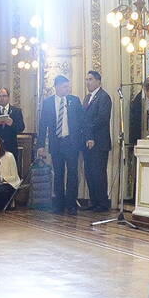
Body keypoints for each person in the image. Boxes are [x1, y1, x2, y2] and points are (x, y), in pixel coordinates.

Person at [34, 73, 85, 215]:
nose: (67, 89)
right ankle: (59, 204)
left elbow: (82, 122)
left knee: (73, 173)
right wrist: (41, 146)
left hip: (71, 143)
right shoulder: (48, 103)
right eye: (64, 86)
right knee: (58, 174)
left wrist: (86, 138)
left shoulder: (74, 101)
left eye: (68, 86)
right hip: (57, 143)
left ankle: (71, 204)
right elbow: (43, 125)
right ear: (56, 87)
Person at [81, 69, 114, 212]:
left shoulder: (104, 97)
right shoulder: (87, 98)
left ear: (98, 81)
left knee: (98, 173)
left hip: (99, 142)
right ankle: (93, 201)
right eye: (87, 79)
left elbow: (101, 119)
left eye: (90, 79)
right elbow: (84, 119)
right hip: (87, 141)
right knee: (89, 172)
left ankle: (102, 203)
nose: (87, 82)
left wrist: (90, 135)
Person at [0, 88, 25, 158]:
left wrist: (12, 124)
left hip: (11, 146)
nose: (2, 98)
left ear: (8, 97)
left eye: (4, 96)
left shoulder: (16, 111)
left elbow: (21, 128)